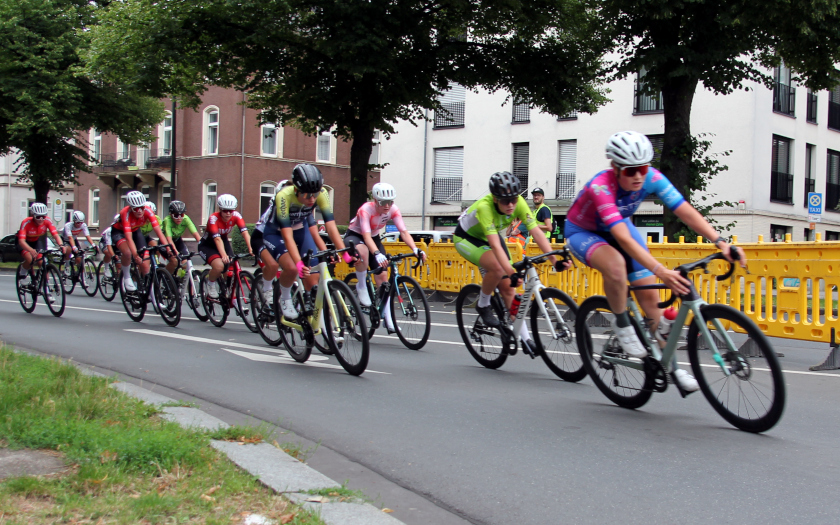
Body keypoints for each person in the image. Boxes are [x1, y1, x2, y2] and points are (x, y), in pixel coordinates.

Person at [565, 130, 747, 392]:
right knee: (616, 265)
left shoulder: (652, 177)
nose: (638, 176)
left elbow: (684, 210)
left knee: (653, 306)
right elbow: (622, 239)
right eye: (630, 171)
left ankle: (671, 367)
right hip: (584, 232)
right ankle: (621, 321)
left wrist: (720, 242)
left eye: (642, 168)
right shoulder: (601, 186)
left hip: (621, 227)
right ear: (615, 168)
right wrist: (660, 270)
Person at [454, 171, 568, 355]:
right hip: (467, 239)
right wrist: (511, 271)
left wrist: (555, 260)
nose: (510, 205)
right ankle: (483, 304)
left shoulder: (519, 203)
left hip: (489, 237)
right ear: (495, 199)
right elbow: (494, 246)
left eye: (513, 200)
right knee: (500, 270)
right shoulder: (485, 207)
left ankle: (526, 339)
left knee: (509, 288)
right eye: (505, 201)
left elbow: (538, 234)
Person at [261, 163, 354, 319]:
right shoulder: (284, 196)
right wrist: (299, 263)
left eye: (315, 195)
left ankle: (313, 318)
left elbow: (331, 227)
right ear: (296, 190)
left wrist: (346, 254)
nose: (312, 199)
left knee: (313, 280)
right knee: (292, 268)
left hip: (300, 231)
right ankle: (285, 298)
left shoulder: (322, 193)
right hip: (276, 233)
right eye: (307, 195)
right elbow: (287, 236)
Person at [344, 182, 426, 331]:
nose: (387, 206)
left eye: (390, 202)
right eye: (383, 202)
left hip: (373, 237)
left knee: (383, 277)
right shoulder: (365, 210)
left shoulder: (393, 210)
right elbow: (366, 237)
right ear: (375, 200)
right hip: (356, 236)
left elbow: (403, 232)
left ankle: (388, 318)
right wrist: (376, 254)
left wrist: (415, 249)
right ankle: (361, 285)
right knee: (363, 252)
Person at [110, 190, 169, 292]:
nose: (139, 211)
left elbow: (158, 231)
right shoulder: (125, 213)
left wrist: (168, 247)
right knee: (128, 253)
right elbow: (128, 238)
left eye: (142, 207)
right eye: (136, 209)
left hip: (136, 230)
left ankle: (152, 296)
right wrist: (135, 255)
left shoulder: (148, 211)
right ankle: (127, 277)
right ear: (130, 207)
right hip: (119, 232)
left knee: (145, 265)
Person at [198, 194, 253, 299]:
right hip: (208, 244)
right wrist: (223, 255)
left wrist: (251, 248)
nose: (228, 213)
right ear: (220, 209)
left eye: (231, 211)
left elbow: (245, 233)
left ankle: (229, 294)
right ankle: (211, 283)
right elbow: (217, 239)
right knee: (219, 266)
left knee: (231, 269)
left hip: (223, 241)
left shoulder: (237, 216)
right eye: (225, 210)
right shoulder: (213, 218)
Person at [251, 179, 293, 310]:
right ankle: (267, 290)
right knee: (273, 265)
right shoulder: (276, 206)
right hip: (261, 237)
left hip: (280, 238)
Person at [17, 202, 67, 278]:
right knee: (30, 259)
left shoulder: (47, 221)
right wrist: (31, 250)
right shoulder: (26, 222)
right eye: (38, 217)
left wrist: (61, 245)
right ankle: (23, 269)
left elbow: (55, 235)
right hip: (24, 243)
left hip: (36, 241)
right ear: (33, 215)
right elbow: (21, 241)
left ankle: (45, 283)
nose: (41, 219)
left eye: (43, 216)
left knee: (42, 262)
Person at [161, 201, 201, 276]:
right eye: (176, 215)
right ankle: (165, 278)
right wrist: (176, 252)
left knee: (186, 263)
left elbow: (196, 235)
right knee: (174, 262)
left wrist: (203, 246)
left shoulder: (186, 219)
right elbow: (169, 240)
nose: (179, 218)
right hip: (165, 242)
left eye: (181, 215)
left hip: (177, 241)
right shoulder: (167, 220)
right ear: (171, 214)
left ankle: (184, 282)